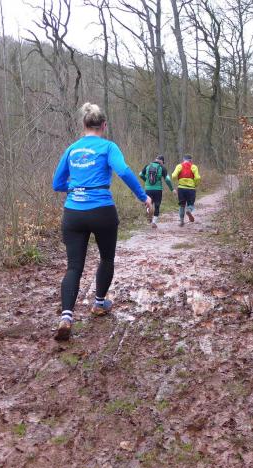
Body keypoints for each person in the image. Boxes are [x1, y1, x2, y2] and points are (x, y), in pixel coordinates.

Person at [52, 103, 152, 341]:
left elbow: (57, 184)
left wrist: (76, 187)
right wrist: (143, 196)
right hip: (102, 210)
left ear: (84, 124)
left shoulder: (72, 149)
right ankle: (98, 304)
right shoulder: (108, 147)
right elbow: (124, 171)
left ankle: (66, 317)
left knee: (74, 267)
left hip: (73, 213)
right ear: (104, 125)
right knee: (106, 258)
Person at [138, 155, 173, 229]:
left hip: (148, 189)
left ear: (155, 159)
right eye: (163, 162)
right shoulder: (162, 168)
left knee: (148, 204)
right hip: (158, 190)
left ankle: (149, 212)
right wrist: (172, 189)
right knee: (157, 205)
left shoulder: (147, 166)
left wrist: (146, 180)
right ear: (162, 161)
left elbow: (140, 174)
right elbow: (167, 179)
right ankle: (154, 222)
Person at [171, 154, 201, 226]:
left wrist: (177, 180)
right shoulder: (194, 166)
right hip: (191, 189)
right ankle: (189, 210)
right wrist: (195, 184)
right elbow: (197, 178)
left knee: (182, 205)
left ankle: (181, 221)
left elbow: (174, 176)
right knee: (191, 204)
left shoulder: (179, 166)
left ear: (183, 160)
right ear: (191, 160)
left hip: (181, 189)